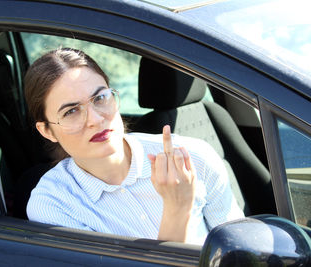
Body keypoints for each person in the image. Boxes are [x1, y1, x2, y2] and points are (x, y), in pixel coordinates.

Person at [24, 48, 244, 245]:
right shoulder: (53, 204)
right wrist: (177, 209)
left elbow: (239, 251)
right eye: (71, 111)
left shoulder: (193, 157)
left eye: (100, 98)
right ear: (46, 131)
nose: (95, 119)